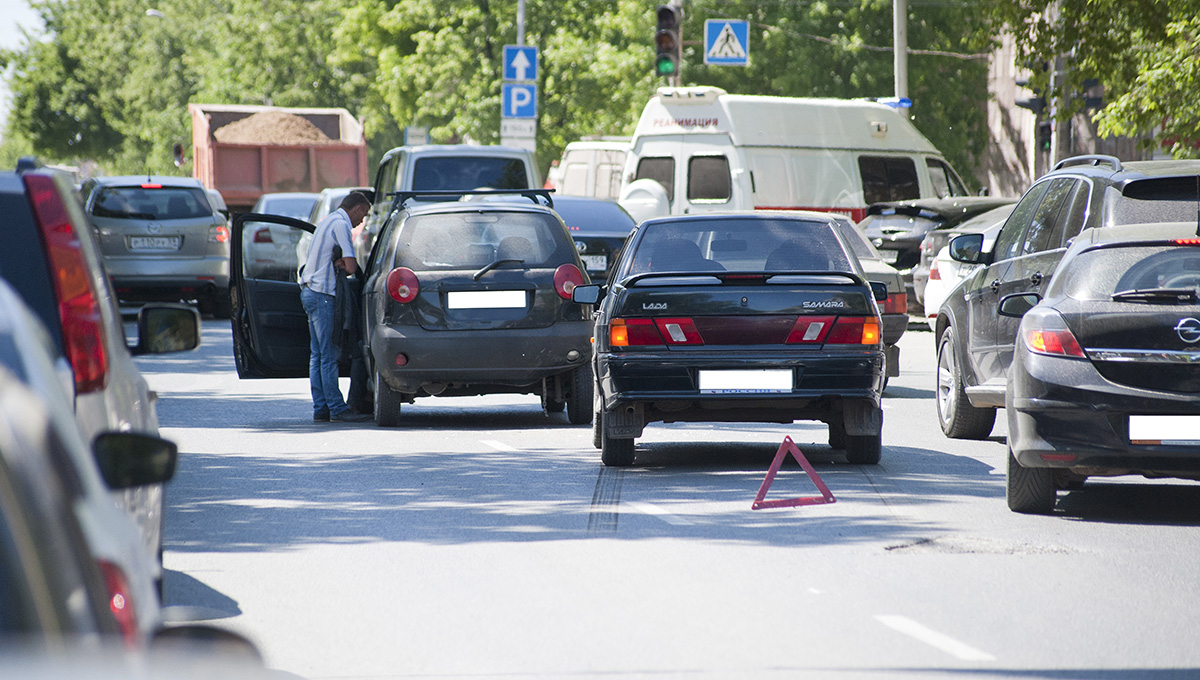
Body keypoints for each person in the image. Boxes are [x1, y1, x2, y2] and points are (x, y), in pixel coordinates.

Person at [299, 191, 373, 423]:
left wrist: (339, 262)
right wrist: (344, 263)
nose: (361, 222)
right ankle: (337, 408)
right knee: (329, 354)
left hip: (309, 291)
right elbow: (351, 267)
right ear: (358, 208)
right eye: (363, 216)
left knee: (317, 355)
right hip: (323, 295)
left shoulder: (327, 221)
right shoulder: (341, 224)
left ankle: (321, 408)